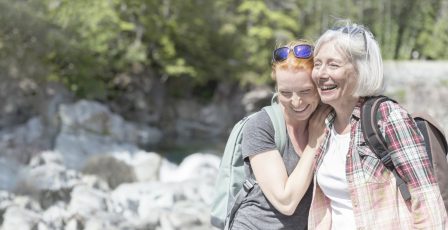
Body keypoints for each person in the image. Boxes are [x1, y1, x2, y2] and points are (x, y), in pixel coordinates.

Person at [308, 21, 448, 229]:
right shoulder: (323, 123)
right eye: (317, 64)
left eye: (333, 64)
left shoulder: (387, 117)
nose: (320, 73)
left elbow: (428, 202)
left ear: (360, 69)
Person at [229, 39, 331, 230]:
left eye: (305, 91)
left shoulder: (331, 120)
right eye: (285, 92)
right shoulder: (261, 126)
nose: (296, 101)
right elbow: (286, 202)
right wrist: (313, 143)